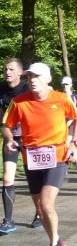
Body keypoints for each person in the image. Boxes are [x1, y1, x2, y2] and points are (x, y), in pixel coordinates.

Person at [3, 62, 77, 246]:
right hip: (32, 159)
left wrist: (73, 143)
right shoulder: (19, 102)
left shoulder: (61, 99)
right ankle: (58, 241)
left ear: (48, 79)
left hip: (57, 156)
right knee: (40, 210)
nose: (32, 80)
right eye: (29, 77)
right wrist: (9, 139)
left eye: (36, 76)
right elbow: (6, 125)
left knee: (47, 204)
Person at [0, 58, 30, 233]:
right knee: (7, 178)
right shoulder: (1, 89)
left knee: (34, 179)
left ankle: (40, 214)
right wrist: (8, 137)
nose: (7, 72)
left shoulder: (28, 89)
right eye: (5, 69)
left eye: (11, 69)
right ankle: (8, 221)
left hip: (30, 139)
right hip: (10, 138)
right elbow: (2, 120)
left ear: (20, 72)